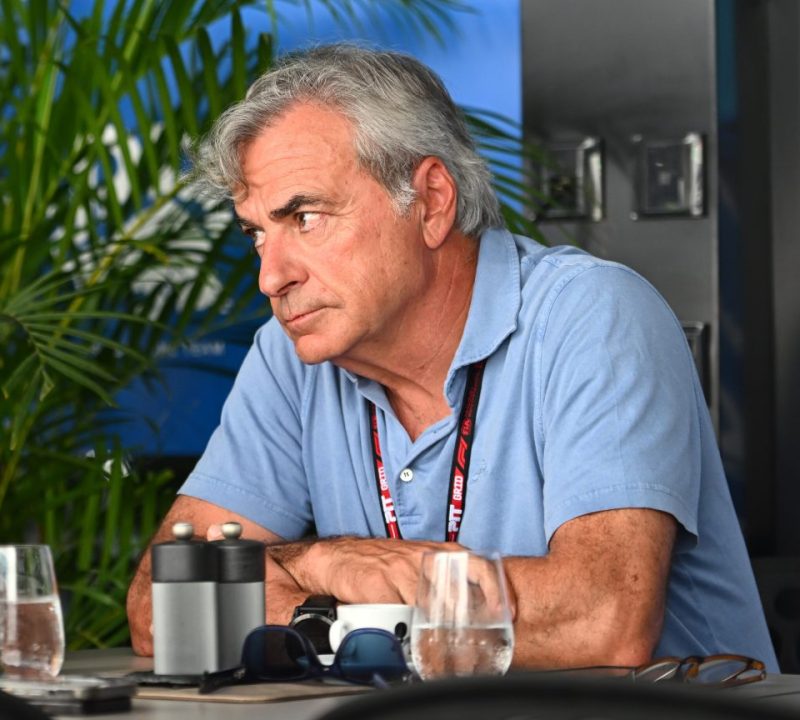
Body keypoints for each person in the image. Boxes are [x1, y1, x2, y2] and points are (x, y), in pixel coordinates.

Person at [127, 43, 777, 671]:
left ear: (432, 201)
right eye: (257, 234)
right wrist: (325, 563)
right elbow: (160, 609)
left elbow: (602, 619)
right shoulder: (291, 353)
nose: (271, 277)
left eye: (306, 218)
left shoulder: (592, 313)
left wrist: (307, 587)